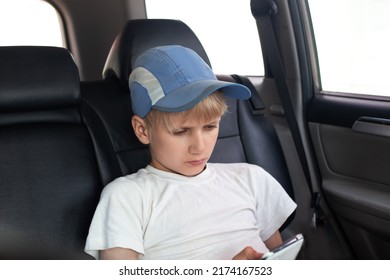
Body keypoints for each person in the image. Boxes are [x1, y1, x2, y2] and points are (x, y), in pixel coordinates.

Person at [84, 45, 296, 260]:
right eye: (181, 131)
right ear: (142, 130)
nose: (199, 147)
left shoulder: (251, 179)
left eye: (210, 127)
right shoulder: (127, 197)